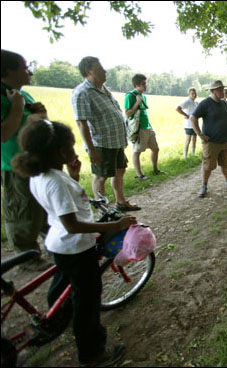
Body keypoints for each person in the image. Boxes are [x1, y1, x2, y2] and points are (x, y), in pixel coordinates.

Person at [11, 119, 136, 366]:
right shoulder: (56, 183)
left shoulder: (44, 175)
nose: (75, 150)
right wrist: (115, 225)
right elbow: (73, 225)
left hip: (59, 244)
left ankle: (56, 318)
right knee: (87, 303)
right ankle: (93, 355)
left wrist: (74, 177)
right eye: (71, 146)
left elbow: (65, 209)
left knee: (63, 283)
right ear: (59, 152)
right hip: (76, 247)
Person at [1, 49, 50, 269]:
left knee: (43, 205)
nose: (29, 72)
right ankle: (27, 257)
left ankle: (53, 243)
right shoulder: (9, 97)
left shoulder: (21, 93)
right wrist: (18, 107)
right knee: (21, 211)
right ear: (8, 70)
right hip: (15, 165)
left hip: (38, 161)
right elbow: (4, 134)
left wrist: (42, 115)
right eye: (24, 67)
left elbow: (38, 123)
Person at [72, 56, 140, 211]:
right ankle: (103, 209)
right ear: (89, 71)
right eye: (100, 68)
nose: (105, 71)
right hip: (100, 143)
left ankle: (121, 202)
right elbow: (81, 122)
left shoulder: (104, 89)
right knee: (101, 176)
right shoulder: (82, 92)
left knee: (119, 171)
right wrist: (92, 150)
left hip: (115, 141)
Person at [190, 80, 227, 198]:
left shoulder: (225, 104)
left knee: (225, 163)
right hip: (211, 142)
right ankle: (204, 186)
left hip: (225, 141)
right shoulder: (205, 103)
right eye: (220, 90)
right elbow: (193, 117)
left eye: (223, 89)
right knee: (208, 165)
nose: (223, 91)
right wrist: (200, 134)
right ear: (213, 91)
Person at [124, 74, 164, 181]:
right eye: (143, 84)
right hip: (138, 128)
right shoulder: (130, 96)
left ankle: (155, 169)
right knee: (137, 151)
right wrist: (137, 103)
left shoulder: (143, 96)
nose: (145, 86)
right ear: (136, 85)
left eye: (145, 83)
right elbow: (127, 113)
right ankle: (140, 175)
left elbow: (144, 111)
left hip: (147, 127)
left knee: (155, 149)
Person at [176, 87, 199, 159]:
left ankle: (193, 154)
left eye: (195, 93)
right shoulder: (187, 101)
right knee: (188, 139)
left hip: (195, 124)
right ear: (189, 94)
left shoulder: (196, 103)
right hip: (188, 124)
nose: (194, 94)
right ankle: (185, 156)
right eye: (192, 93)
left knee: (194, 139)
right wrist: (186, 115)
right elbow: (177, 108)